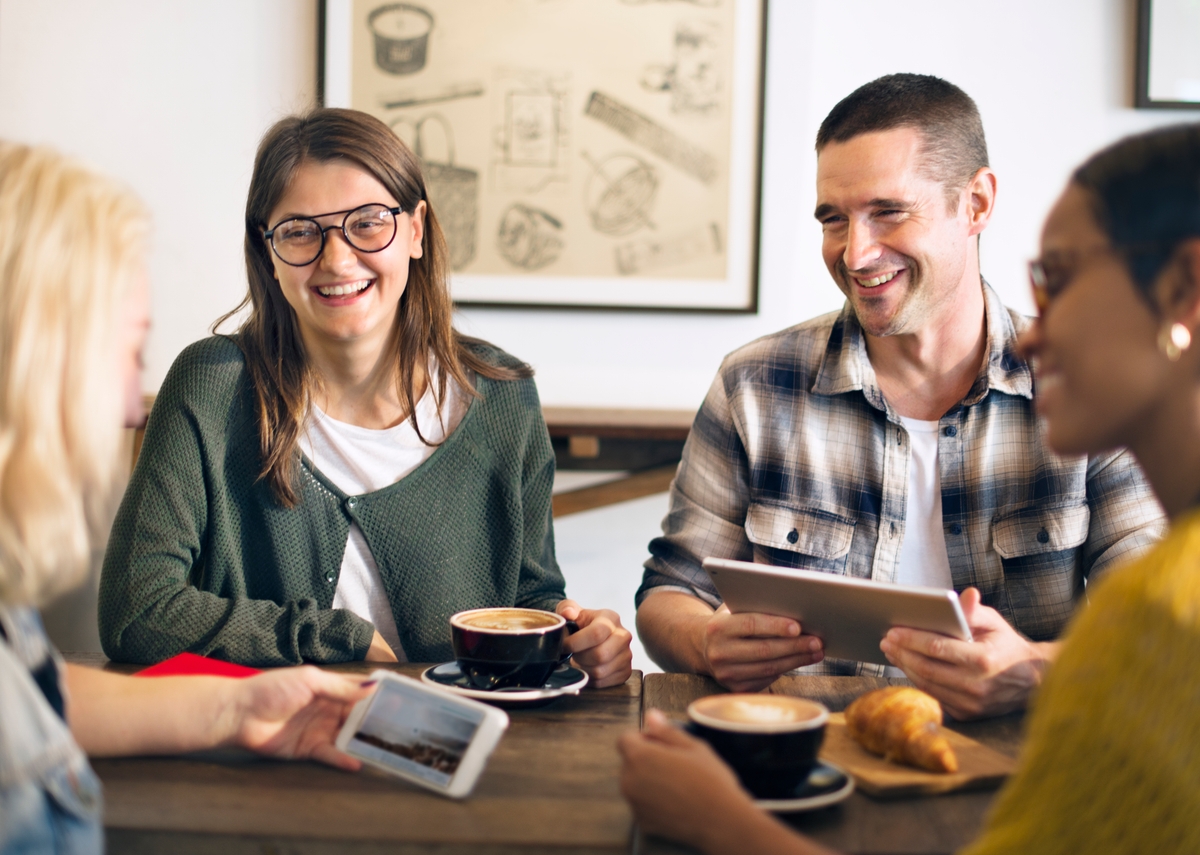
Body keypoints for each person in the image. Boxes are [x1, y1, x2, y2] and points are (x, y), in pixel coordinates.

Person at [620, 121, 1200, 855]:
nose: (855, 253)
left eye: (1062, 278)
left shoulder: (1158, 610)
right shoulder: (754, 380)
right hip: (802, 780)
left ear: (976, 203)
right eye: (833, 218)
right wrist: (706, 638)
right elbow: (669, 588)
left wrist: (1030, 668)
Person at [97, 108, 633, 686]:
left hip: (463, 745)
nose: (337, 259)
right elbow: (137, 611)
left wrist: (576, 636)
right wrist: (334, 638)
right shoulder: (212, 386)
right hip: (266, 755)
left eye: (368, 222)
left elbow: (530, 595)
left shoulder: (502, 396)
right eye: (301, 231)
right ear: (268, 251)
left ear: (417, 229)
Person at [0, 141, 380, 854]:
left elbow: (39, 698)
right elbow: (138, 610)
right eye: (127, 351)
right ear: (34, 358)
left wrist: (238, 704)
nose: (130, 408)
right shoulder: (212, 381)